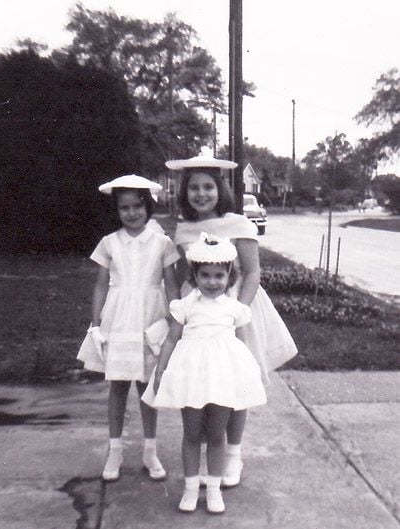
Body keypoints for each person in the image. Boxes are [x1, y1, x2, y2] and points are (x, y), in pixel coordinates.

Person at [167, 149, 298, 487]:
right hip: (199, 312)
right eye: (194, 187)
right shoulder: (183, 229)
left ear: (219, 189)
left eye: (208, 187)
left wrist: (236, 313)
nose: (201, 194)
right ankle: (211, 451)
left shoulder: (238, 223)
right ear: (185, 192)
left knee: (235, 383)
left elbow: (252, 272)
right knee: (205, 382)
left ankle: (233, 455)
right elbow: (186, 273)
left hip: (239, 307)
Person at [142, 233, 266, 514]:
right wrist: (161, 369)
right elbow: (172, 339)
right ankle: (189, 488)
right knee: (191, 433)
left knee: (216, 433)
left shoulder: (235, 309)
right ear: (194, 276)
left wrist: (246, 373)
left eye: (219, 276)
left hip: (222, 376)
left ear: (229, 276)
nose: (212, 282)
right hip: (192, 376)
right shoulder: (185, 306)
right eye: (205, 275)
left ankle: (212, 489)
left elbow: (242, 343)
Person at [77, 174, 180, 481]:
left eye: (137, 206)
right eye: (125, 208)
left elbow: (171, 286)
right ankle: (115, 450)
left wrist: (175, 320)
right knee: (118, 385)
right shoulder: (109, 243)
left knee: (148, 385)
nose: (132, 213)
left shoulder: (162, 243)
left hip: (151, 316)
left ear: (147, 206)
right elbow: (100, 286)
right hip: (119, 318)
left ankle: (150, 450)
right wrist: (95, 323)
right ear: (117, 210)